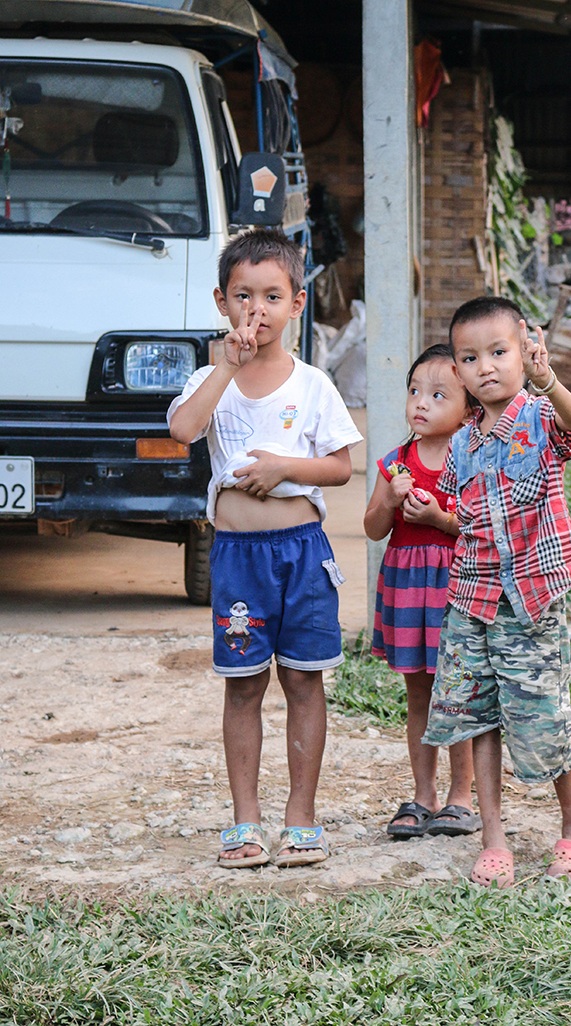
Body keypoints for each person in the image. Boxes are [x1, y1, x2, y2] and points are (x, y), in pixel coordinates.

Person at [168, 228, 362, 870]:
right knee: (243, 685)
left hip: (302, 553)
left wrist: (285, 466)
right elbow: (182, 429)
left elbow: (340, 466)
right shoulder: (210, 378)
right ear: (221, 301)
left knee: (305, 681)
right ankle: (244, 822)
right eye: (243, 295)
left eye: (272, 295)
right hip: (239, 559)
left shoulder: (312, 384)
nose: (257, 309)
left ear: (297, 304)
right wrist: (226, 364)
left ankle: (300, 818)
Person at [422, 296, 571, 888]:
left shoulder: (540, 415)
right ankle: (494, 838)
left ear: (525, 348)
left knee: (546, 714)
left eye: (499, 352)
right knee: (479, 718)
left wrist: (550, 382)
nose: (486, 367)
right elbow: (463, 517)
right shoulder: (463, 442)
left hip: (532, 600)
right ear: (458, 370)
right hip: (471, 604)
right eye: (470, 358)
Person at [364, 345, 479, 840]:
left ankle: (462, 797)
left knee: (460, 694)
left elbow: (479, 526)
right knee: (419, 694)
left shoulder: (474, 459)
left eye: (438, 394)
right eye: (415, 391)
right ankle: (424, 794)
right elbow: (371, 528)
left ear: (469, 408)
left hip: (456, 586)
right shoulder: (395, 462)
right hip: (408, 587)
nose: (421, 403)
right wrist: (389, 499)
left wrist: (437, 518)